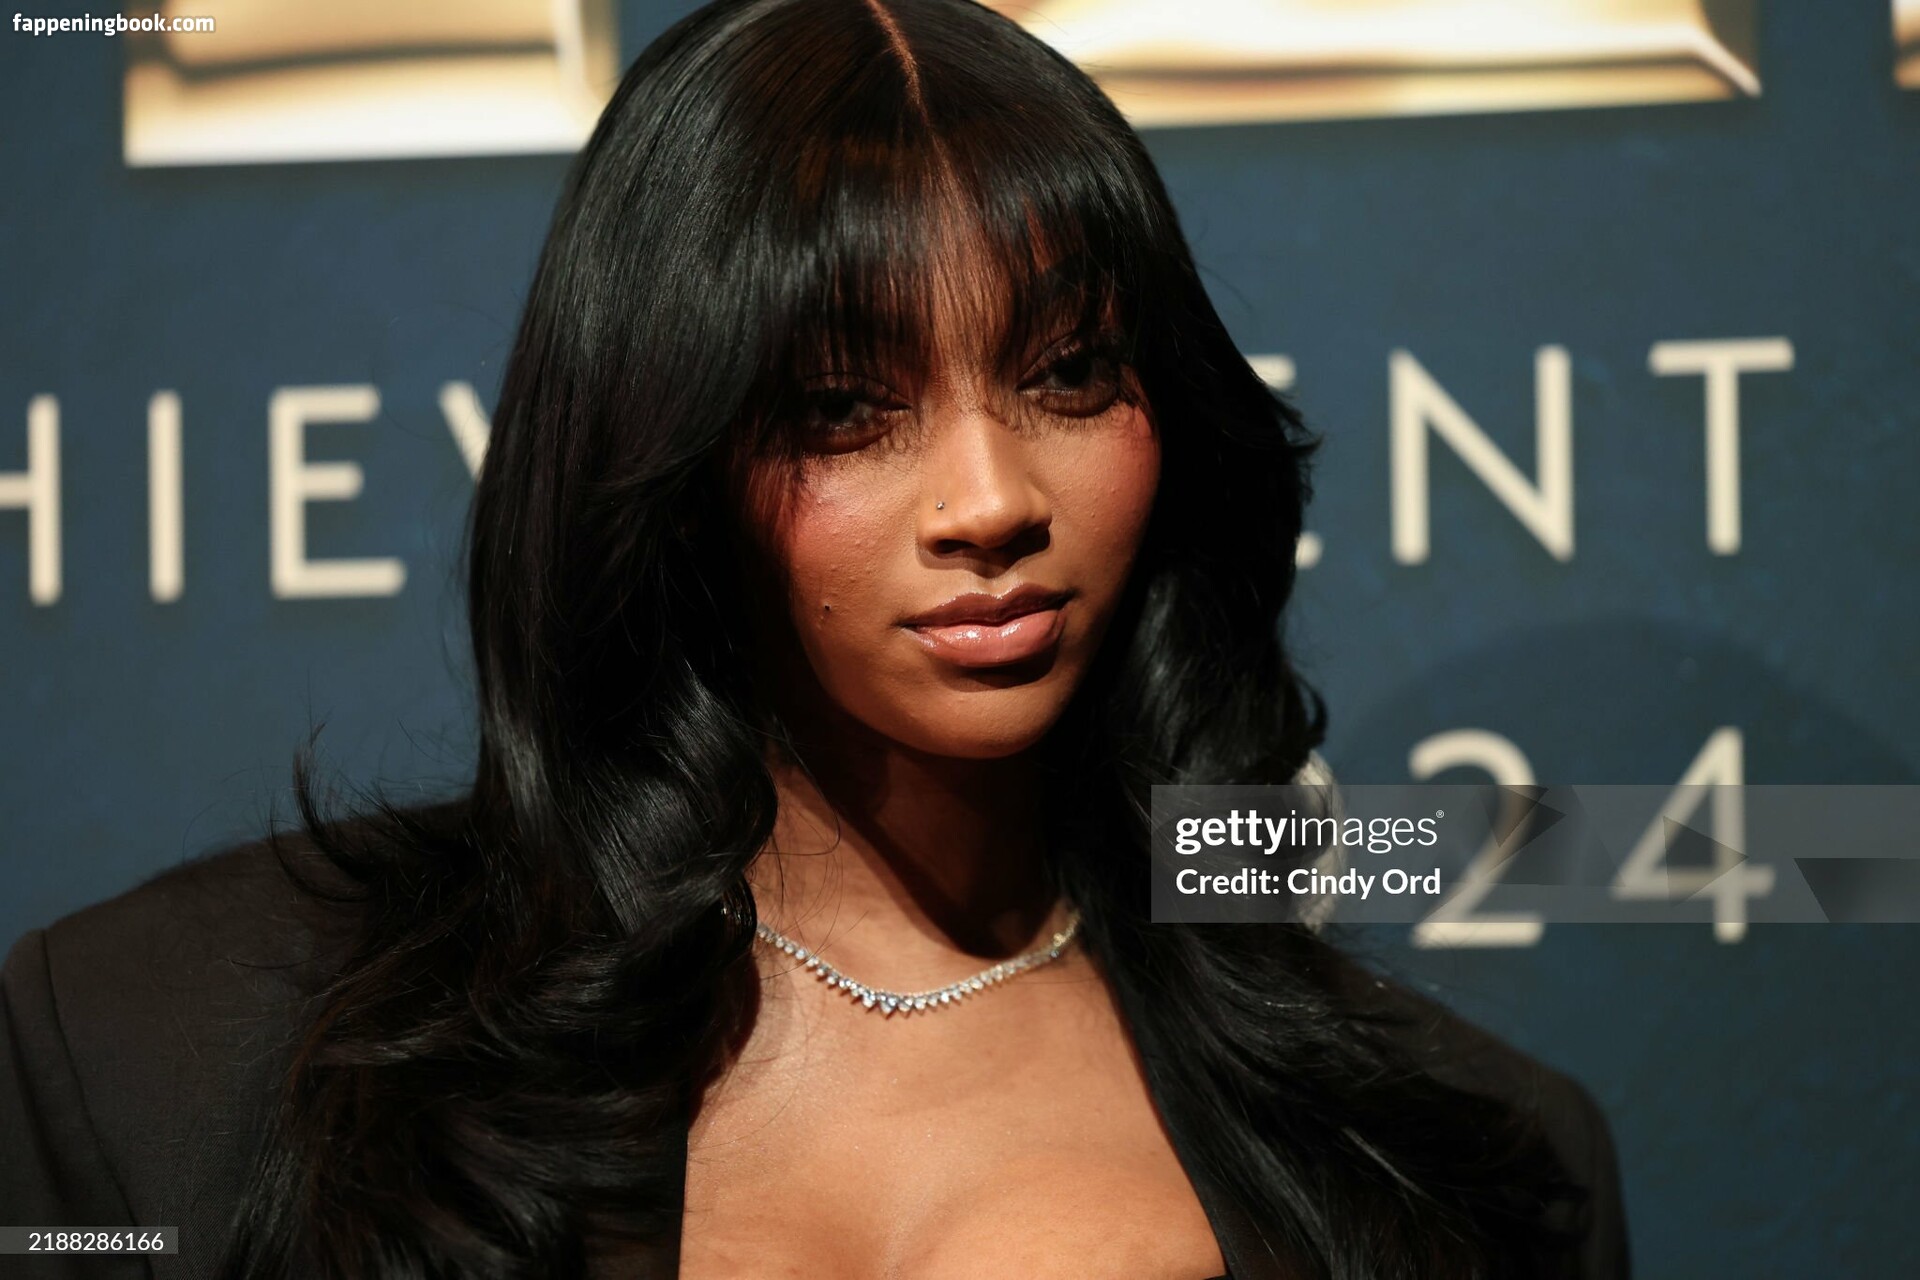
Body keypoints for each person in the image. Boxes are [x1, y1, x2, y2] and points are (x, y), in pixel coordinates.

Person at [0, 0, 1629, 1276]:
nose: (990, 499)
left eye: (1069, 373)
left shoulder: (1469, 1164)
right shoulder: (168, 1044)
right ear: (670, 455)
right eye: (846, 408)